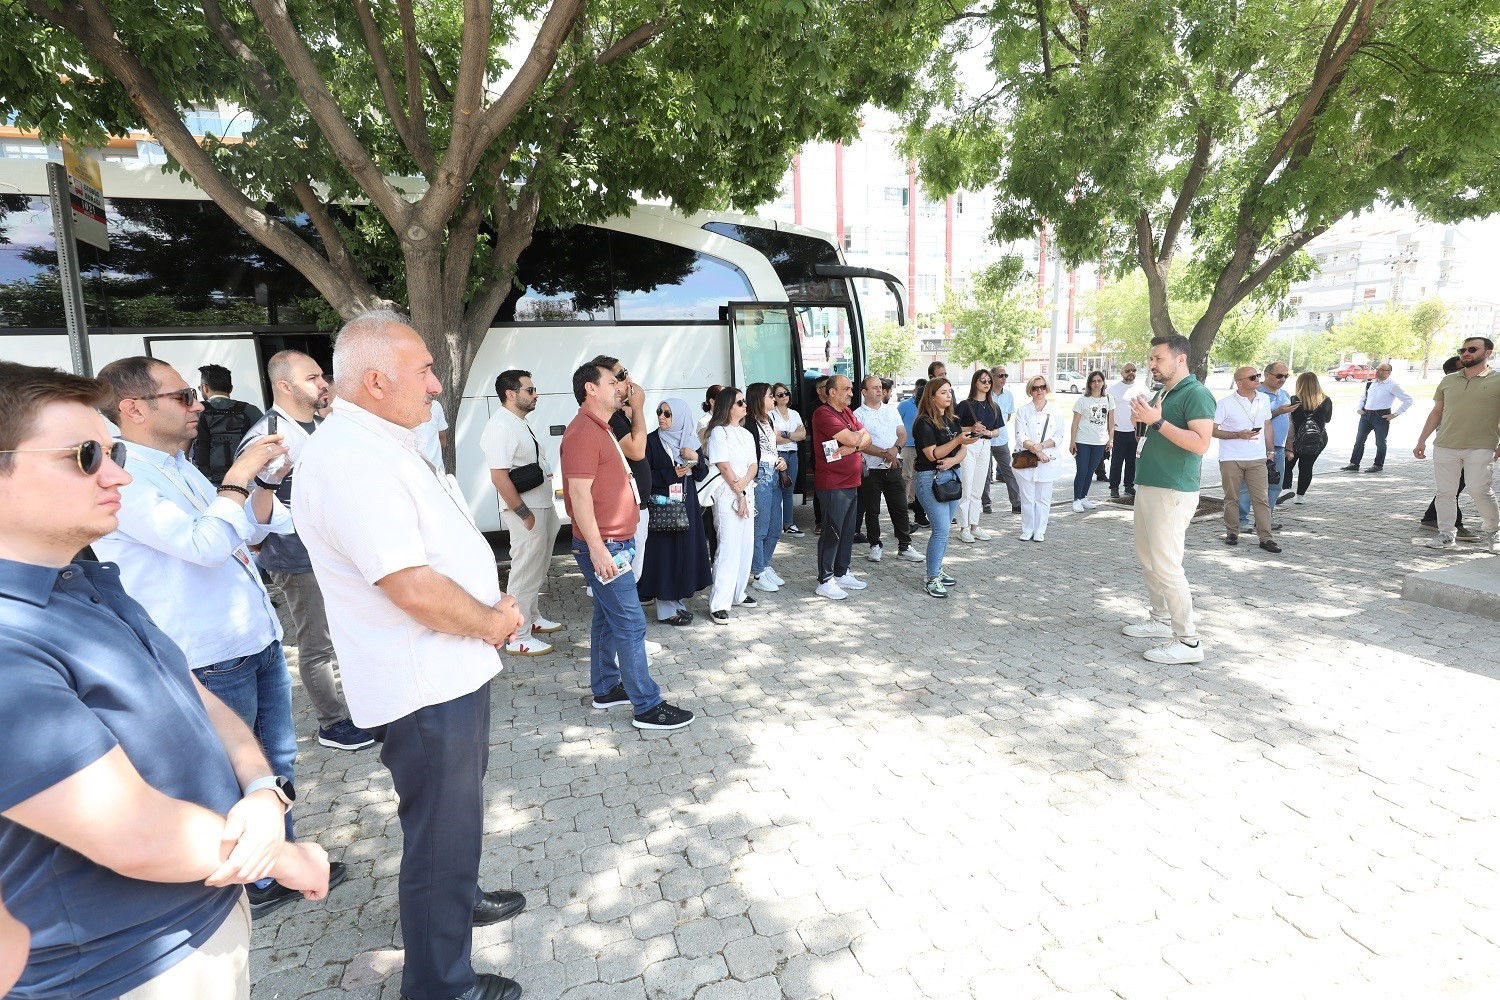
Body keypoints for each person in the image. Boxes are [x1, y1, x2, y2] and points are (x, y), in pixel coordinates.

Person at [0, 361, 329, 1000]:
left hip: (202, 909)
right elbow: (132, 831)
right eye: (85, 456)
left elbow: (189, 689)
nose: (117, 473)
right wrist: (284, 856)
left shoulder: (83, 579)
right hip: (122, 969)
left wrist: (262, 788)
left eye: (114, 454)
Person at [294, 311, 530, 1000]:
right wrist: (490, 621)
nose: (435, 384)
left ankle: (459, 898)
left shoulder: (380, 442)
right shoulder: (350, 460)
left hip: (446, 673)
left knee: (452, 825)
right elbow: (412, 587)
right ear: (374, 380)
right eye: (424, 370)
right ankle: (439, 985)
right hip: (424, 683)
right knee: (436, 839)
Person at [93, 357, 334, 917]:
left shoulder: (176, 465)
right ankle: (249, 882)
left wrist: (265, 482)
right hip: (207, 656)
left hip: (252, 638)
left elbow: (244, 527)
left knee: (275, 763)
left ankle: (281, 860)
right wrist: (239, 475)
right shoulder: (127, 479)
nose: (198, 403)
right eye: (182, 396)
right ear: (133, 409)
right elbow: (203, 543)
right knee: (228, 774)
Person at [237, 350, 375, 751]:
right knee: (317, 641)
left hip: (333, 551)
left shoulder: (317, 424)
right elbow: (250, 511)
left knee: (344, 632)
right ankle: (332, 724)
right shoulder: (268, 436)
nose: (323, 383)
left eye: (321, 376)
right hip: (297, 557)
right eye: (312, 377)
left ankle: (360, 709)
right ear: (284, 386)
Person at [560, 359, 696, 730]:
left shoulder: (599, 427)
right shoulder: (584, 432)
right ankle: (647, 706)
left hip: (615, 540)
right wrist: (598, 549)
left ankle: (605, 688)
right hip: (605, 544)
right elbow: (579, 496)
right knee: (632, 623)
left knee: (607, 618)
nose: (623, 385)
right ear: (591, 388)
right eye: (614, 380)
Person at [1121, 334, 1216, 664]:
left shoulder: (1197, 394)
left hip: (1173, 490)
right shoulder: (1164, 391)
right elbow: (1155, 432)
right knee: (1148, 560)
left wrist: (1157, 422)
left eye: (1158, 358)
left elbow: (1201, 443)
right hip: (1150, 484)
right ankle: (1161, 621)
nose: (1152, 364)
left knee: (1167, 565)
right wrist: (1143, 424)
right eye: (1151, 359)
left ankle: (1188, 642)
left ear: (1180, 359)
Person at [481, 368, 563, 655]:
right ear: (511, 394)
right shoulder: (500, 426)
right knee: (525, 571)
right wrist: (523, 512)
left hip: (542, 505)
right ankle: (519, 635)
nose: (535, 394)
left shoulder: (517, 422)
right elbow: (499, 476)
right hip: (527, 510)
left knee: (537, 567)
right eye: (530, 390)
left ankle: (532, 618)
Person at [1414, 336, 1500, 552]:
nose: (1466, 353)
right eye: (1463, 350)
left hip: (1482, 445)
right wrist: (1422, 439)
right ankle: (1446, 535)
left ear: (1487, 352)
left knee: (1480, 490)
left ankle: (1493, 532)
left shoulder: (1497, 380)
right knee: (1445, 493)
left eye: (1472, 349)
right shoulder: (1448, 380)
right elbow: (1437, 412)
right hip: (1445, 445)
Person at [639, 397, 711, 625]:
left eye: (667, 413)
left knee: (684, 554)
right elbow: (644, 475)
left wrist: (696, 459)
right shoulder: (651, 441)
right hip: (663, 506)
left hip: (687, 505)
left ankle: (678, 603)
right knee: (665, 555)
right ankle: (666, 610)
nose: (661, 416)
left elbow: (701, 474)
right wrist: (670, 474)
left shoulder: (689, 440)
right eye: (660, 411)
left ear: (679, 417)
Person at [810, 375, 871, 600]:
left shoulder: (846, 412)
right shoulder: (823, 414)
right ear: (832, 392)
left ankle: (841, 571)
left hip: (851, 481)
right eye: (846, 389)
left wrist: (853, 446)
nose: (851, 393)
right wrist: (855, 440)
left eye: (851, 389)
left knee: (847, 531)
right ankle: (825, 580)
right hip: (833, 483)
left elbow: (866, 436)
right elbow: (855, 437)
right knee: (832, 532)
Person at [594, 356, 654, 579]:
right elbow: (637, 450)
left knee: (630, 575)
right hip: (624, 512)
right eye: (620, 376)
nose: (629, 380)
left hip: (635, 508)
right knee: (624, 578)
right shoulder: (612, 419)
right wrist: (637, 407)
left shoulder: (618, 416)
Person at [705, 387, 760, 621]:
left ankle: (739, 592)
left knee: (746, 545)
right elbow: (723, 465)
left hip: (745, 491)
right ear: (728, 406)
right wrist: (739, 493)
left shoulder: (746, 433)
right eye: (740, 402)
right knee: (728, 547)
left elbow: (753, 465)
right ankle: (720, 602)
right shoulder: (719, 432)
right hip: (728, 494)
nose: (744, 405)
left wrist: (745, 488)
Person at [911, 378, 969, 597]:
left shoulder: (952, 420)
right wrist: (956, 443)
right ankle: (932, 578)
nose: (949, 396)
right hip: (931, 478)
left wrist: (954, 461)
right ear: (932, 396)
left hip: (952, 475)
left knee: (945, 530)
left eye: (950, 392)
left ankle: (937, 569)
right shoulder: (923, 422)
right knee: (941, 529)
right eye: (944, 392)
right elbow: (932, 454)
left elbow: (962, 450)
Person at [1212, 366, 1280, 552]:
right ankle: (1232, 532)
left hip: (1257, 458)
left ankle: (1265, 538)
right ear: (1239, 382)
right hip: (1230, 457)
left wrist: (1271, 451)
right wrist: (1237, 435)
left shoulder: (1264, 399)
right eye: (1252, 377)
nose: (1257, 379)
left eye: (1257, 375)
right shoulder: (1225, 403)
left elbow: (1267, 425)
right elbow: (1213, 430)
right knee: (1231, 498)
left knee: (1261, 499)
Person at [855, 374, 921, 564]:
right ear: (864, 392)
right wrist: (886, 454)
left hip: (893, 466)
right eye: (874, 387)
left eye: (880, 387)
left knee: (900, 507)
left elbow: (902, 433)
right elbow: (861, 443)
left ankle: (905, 545)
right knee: (872, 510)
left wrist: (895, 450)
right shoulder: (858, 414)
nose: (879, 390)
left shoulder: (891, 410)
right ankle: (875, 544)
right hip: (872, 469)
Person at [1420, 357, 1473, 538]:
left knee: (1453, 486)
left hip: (1470, 444)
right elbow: (1436, 414)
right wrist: (1422, 441)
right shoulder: (1451, 388)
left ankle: (1430, 517)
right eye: (1463, 366)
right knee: (1455, 485)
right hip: (1451, 444)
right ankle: (1454, 525)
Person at [745, 383, 789, 591]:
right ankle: (758, 572)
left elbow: (771, 448)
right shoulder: (749, 423)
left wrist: (780, 459)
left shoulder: (768, 419)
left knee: (775, 526)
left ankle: (765, 564)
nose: (774, 399)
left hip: (773, 471)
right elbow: (751, 454)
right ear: (758, 398)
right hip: (760, 475)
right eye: (770, 396)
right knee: (760, 527)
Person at [1242, 361, 1294, 529]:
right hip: (1256, 446)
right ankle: (1241, 519)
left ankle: (1265, 519)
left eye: (1286, 376)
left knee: (1274, 484)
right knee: (1247, 485)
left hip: (1278, 447)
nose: (1283, 379)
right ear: (1266, 374)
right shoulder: (1255, 393)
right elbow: (1252, 419)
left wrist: (1289, 445)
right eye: (1279, 375)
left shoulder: (1284, 394)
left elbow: (1289, 421)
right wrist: (1278, 411)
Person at [192, 363, 263, 486]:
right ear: (230, 388)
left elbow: (183, 448)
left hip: (206, 481)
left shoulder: (197, 412)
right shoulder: (250, 410)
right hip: (247, 479)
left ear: (205, 388)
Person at [1013, 376, 1064, 541]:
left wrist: (1041, 447)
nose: (1039, 390)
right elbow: (1020, 435)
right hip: (1027, 460)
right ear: (1030, 390)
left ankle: (1040, 530)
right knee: (1027, 497)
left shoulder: (1056, 411)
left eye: (1042, 387)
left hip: (1048, 459)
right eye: (1035, 388)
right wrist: (1035, 450)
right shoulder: (1023, 411)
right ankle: (1027, 528)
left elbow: (1059, 435)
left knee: (1043, 498)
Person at [954, 370, 1002, 541]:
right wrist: (971, 429)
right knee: (966, 487)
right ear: (975, 382)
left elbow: (997, 431)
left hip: (985, 445)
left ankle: (975, 525)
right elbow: (954, 428)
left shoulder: (994, 407)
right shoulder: (965, 405)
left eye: (989, 380)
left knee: (978, 488)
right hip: (969, 445)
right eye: (983, 380)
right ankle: (964, 527)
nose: (987, 383)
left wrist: (988, 432)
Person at [1342, 362, 1413, 473]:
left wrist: (1395, 414)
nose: (1377, 371)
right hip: (1366, 415)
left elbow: (1408, 400)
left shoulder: (1393, 385)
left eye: (1381, 370)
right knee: (1359, 440)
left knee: (1380, 442)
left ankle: (1378, 464)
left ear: (1388, 373)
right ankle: (1354, 463)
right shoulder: (1371, 383)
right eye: (1377, 369)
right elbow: (1364, 396)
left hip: (1381, 416)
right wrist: (1359, 408)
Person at [1069, 371, 1114, 513]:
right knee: (1082, 470)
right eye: (1093, 381)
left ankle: (1084, 497)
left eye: (1099, 380)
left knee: (1090, 471)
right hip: (1083, 440)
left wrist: (1110, 439)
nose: (1096, 383)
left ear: (1103, 383)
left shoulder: (1108, 399)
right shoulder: (1082, 400)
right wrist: (1072, 441)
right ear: (1089, 383)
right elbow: (1075, 423)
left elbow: (1111, 422)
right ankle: (1076, 499)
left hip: (1099, 441)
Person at [1284, 373, 1333, 504]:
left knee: (1288, 465)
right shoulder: (1326, 400)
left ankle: (1286, 489)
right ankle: (1300, 496)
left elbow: (1288, 419)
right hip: (1317, 439)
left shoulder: (1294, 400)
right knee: (1306, 467)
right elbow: (1327, 419)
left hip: (1295, 439)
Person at [982, 365, 1020, 514]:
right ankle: (986, 503)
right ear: (992, 377)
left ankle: (1017, 503)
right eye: (1000, 375)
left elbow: (1008, 416)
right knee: (985, 473)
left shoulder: (1009, 395)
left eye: (1005, 375)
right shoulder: (985, 394)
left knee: (1009, 471)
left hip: (1002, 439)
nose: (1003, 378)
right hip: (985, 440)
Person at [1106, 363, 1148, 499]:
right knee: (1116, 462)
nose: (1131, 373)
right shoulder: (1112, 390)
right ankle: (1114, 487)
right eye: (1128, 370)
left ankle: (1129, 486)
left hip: (1135, 431)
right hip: (1119, 431)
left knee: (1132, 461)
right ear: (1121, 372)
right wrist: (1110, 429)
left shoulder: (1142, 387)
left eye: (1134, 370)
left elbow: (1149, 406)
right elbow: (1107, 411)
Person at [770, 382, 806, 534]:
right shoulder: (770, 414)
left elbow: (803, 435)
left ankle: (788, 524)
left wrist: (785, 434)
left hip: (793, 455)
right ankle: (777, 524)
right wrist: (793, 436)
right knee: (777, 489)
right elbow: (774, 438)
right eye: (780, 394)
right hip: (778, 455)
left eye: (786, 393)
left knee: (789, 488)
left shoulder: (795, 414)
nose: (784, 396)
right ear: (774, 398)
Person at [899, 378, 930, 527]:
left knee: (921, 479)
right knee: (906, 477)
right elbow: (896, 424)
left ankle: (918, 511)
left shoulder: (929, 405)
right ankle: (902, 510)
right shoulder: (904, 405)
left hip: (924, 448)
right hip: (908, 446)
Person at [414, 396, 449, 472]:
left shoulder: (436, 406)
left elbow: (443, 440)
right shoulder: (400, 408)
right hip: (412, 473)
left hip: (437, 472)